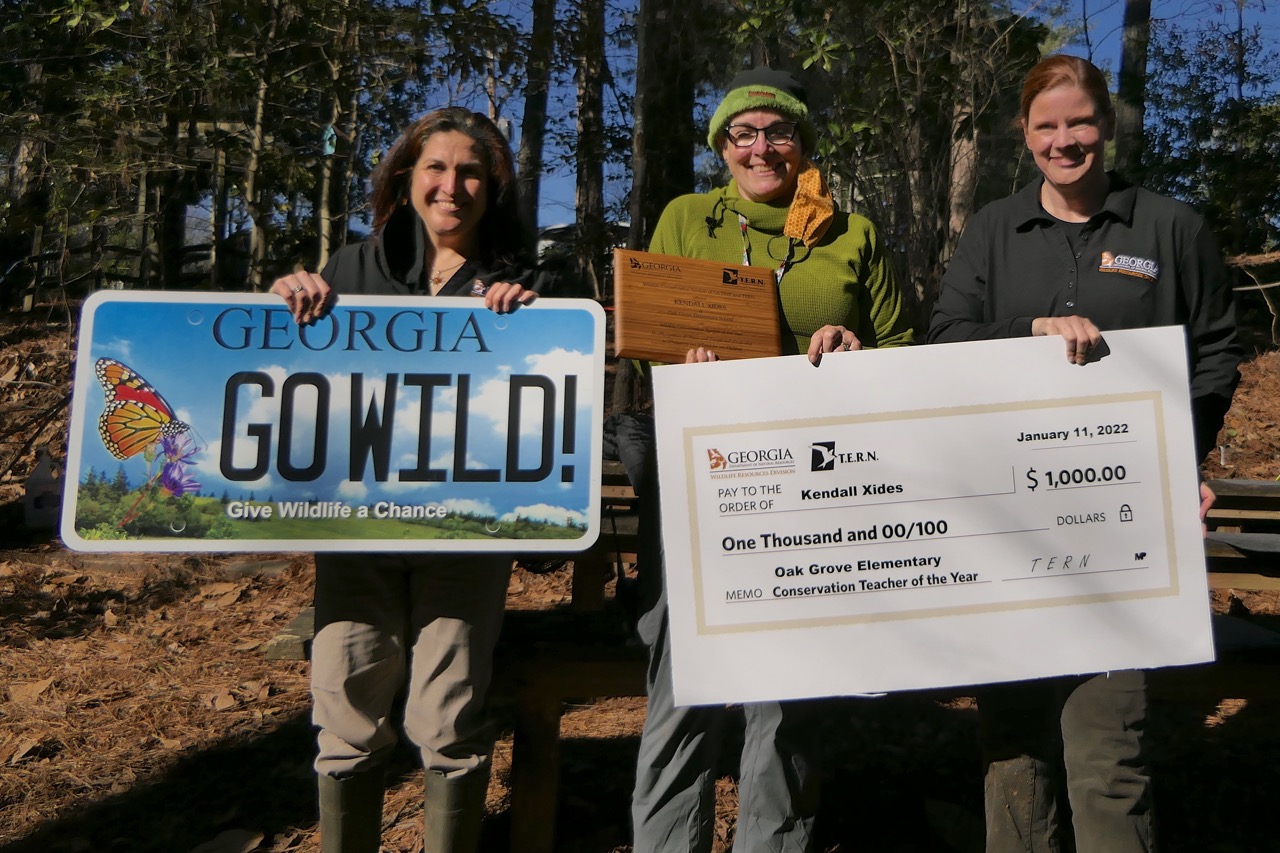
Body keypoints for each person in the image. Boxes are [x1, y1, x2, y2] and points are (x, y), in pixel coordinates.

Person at [928, 55, 1242, 852]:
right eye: (1047, 126)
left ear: (1106, 124)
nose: (1065, 140)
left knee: (1111, 747)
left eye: (1080, 122)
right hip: (1007, 520)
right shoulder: (995, 230)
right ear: (1023, 134)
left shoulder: (1170, 227)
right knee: (1014, 747)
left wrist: (1180, 460)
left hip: (1121, 526)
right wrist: (1027, 331)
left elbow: (1213, 356)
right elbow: (946, 339)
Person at [629, 67, 914, 853]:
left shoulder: (851, 233)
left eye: (778, 131)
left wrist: (858, 346)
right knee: (685, 678)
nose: (762, 147)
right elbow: (652, 334)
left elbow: (905, 346)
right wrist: (680, 360)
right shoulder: (687, 218)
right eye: (743, 133)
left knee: (788, 691)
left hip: (817, 484)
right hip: (706, 476)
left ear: (803, 143)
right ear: (721, 146)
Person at [270, 107, 544, 853]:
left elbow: (551, 389)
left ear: (493, 188)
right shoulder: (350, 268)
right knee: (346, 710)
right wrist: (286, 301)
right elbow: (294, 379)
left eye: (469, 172)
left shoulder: (522, 281)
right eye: (435, 168)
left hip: (464, 540)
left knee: (448, 719)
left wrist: (528, 319)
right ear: (405, 177)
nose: (450, 185)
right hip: (357, 537)